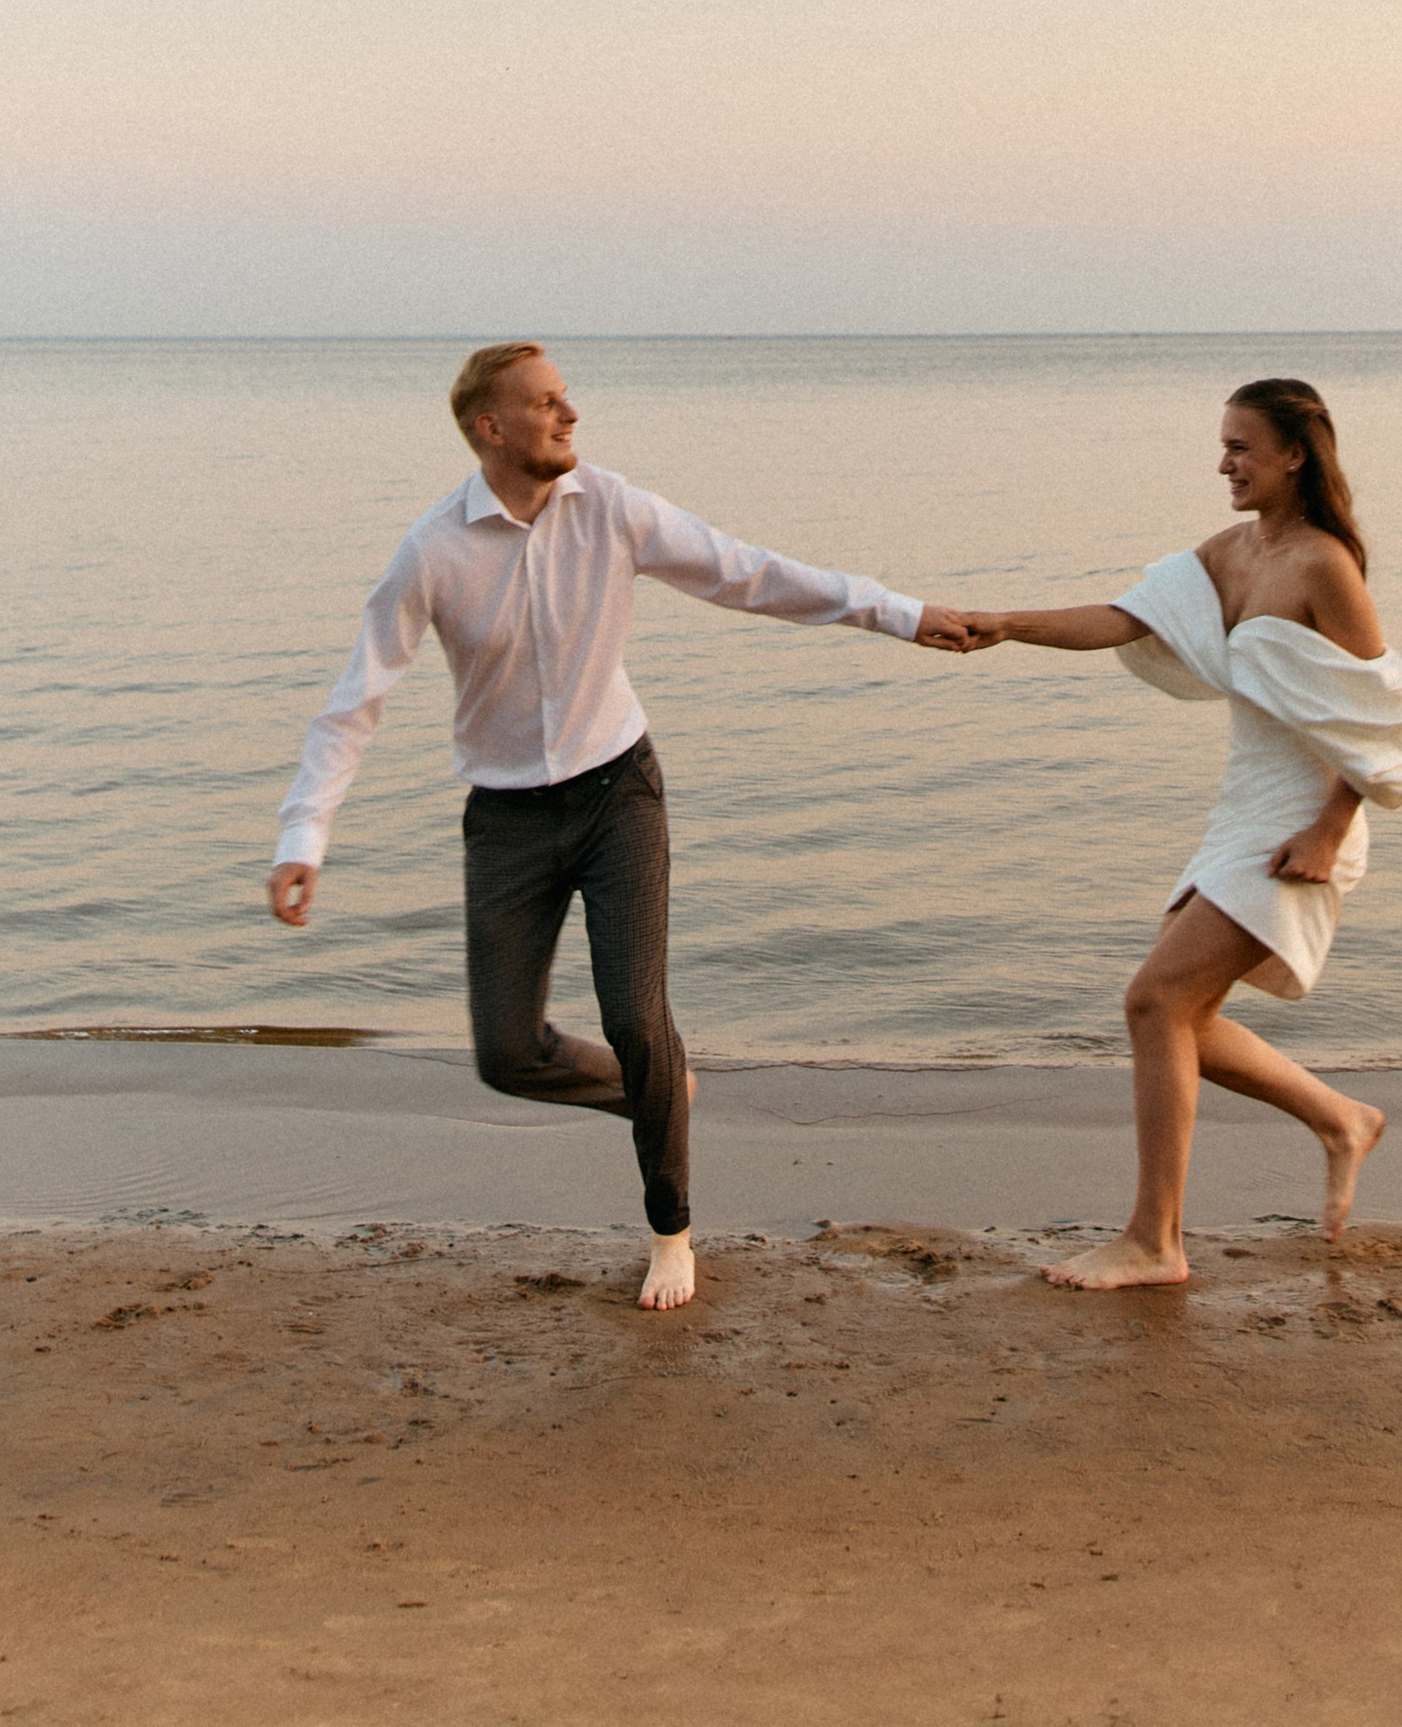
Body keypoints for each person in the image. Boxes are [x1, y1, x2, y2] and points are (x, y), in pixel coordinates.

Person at [268, 343, 976, 1310]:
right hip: (507, 820)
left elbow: (752, 575)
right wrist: (304, 838)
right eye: (549, 404)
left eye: (566, 401)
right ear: (492, 428)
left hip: (618, 794)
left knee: (639, 1018)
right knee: (506, 1053)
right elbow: (358, 700)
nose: (571, 416)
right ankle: (662, 1091)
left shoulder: (613, 508)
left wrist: (901, 614)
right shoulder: (432, 552)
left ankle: (670, 1230)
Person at [961, 376, 1402, 1287]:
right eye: (1223, 446)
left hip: (1305, 815)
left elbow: (1386, 718)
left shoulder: (1325, 566)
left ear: (1294, 453)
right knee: (1183, 1019)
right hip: (1244, 808)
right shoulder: (1236, 551)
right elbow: (1126, 617)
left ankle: (1155, 1241)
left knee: (1154, 1002)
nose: (1224, 463)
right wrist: (1003, 625)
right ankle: (1341, 1119)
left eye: (1241, 447)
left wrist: (1332, 828)